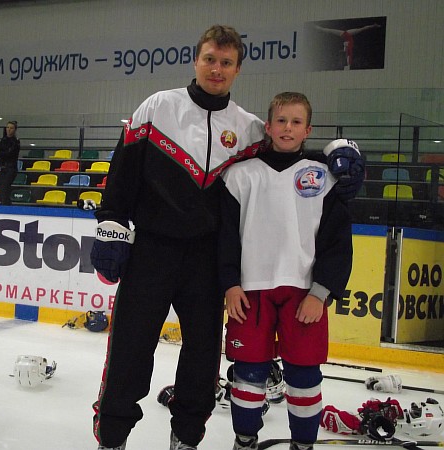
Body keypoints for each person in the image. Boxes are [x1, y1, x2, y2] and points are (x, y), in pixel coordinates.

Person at [89, 25, 363, 450]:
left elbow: (288, 155)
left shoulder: (249, 128)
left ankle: (186, 438)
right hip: (152, 251)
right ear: (196, 61)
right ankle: (112, 438)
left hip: (206, 259)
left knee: (202, 359)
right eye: (210, 60)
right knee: (130, 348)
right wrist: (111, 225)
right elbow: (121, 175)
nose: (217, 69)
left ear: (237, 70)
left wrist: (339, 155)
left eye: (226, 62)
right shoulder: (157, 107)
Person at [218, 92, 354, 450]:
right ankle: (245, 440)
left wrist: (320, 292)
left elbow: (337, 241)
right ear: (267, 126)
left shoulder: (325, 178)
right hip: (250, 292)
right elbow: (225, 238)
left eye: (296, 122)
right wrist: (230, 284)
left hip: (304, 293)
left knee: (304, 375)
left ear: (308, 130)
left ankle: (303, 444)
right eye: (281, 120)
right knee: (248, 374)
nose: (287, 128)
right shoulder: (239, 176)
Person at [0, 120, 20, 205]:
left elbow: (10, 154)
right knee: (2, 189)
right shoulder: (3, 140)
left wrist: (4, 153)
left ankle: (6, 205)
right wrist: (4, 153)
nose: (9, 129)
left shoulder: (15, 141)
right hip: (3, 167)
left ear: (15, 130)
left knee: (6, 188)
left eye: (11, 128)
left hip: (11, 168)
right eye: (7, 127)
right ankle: (4, 204)